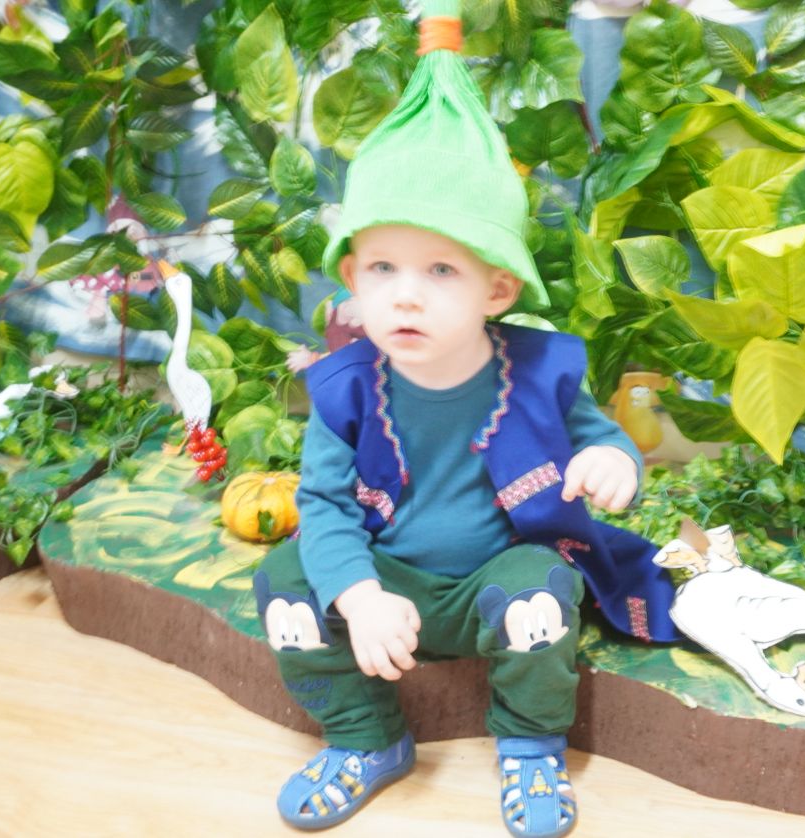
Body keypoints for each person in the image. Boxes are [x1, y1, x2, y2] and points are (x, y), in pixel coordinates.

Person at [251, 1, 679, 835]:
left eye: (441, 270)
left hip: (495, 576)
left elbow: (597, 437)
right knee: (289, 585)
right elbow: (326, 507)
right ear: (353, 278)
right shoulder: (346, 390)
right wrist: (361, 596)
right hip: (391, 579)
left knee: (541, 591)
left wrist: (614, 463)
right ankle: (365, 738)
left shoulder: (537, 371)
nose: (405, 295)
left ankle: (530, 745)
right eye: (383, 267)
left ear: (498, 288)